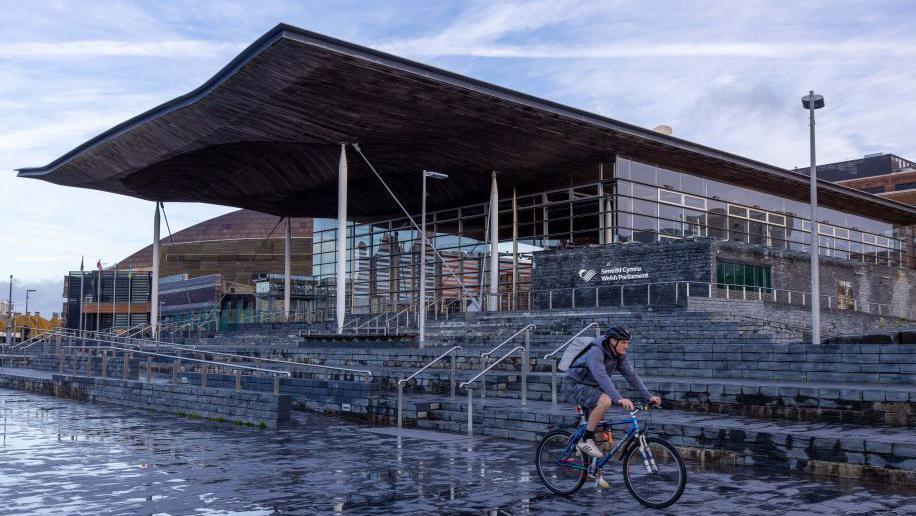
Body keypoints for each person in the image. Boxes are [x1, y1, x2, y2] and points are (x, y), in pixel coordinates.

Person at [563, 326, 661, 461]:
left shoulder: (618, 354)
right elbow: (601, 376)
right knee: (605, 401)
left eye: (628, 343)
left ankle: (594, 470)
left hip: (593, 388)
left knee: (603, 433)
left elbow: (631, 376)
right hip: (573, 385)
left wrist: (648, 396)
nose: (626, 346)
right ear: (613, 341)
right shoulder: (596, 351)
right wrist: (618, 398)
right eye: (623, 342)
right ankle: (586, 439)